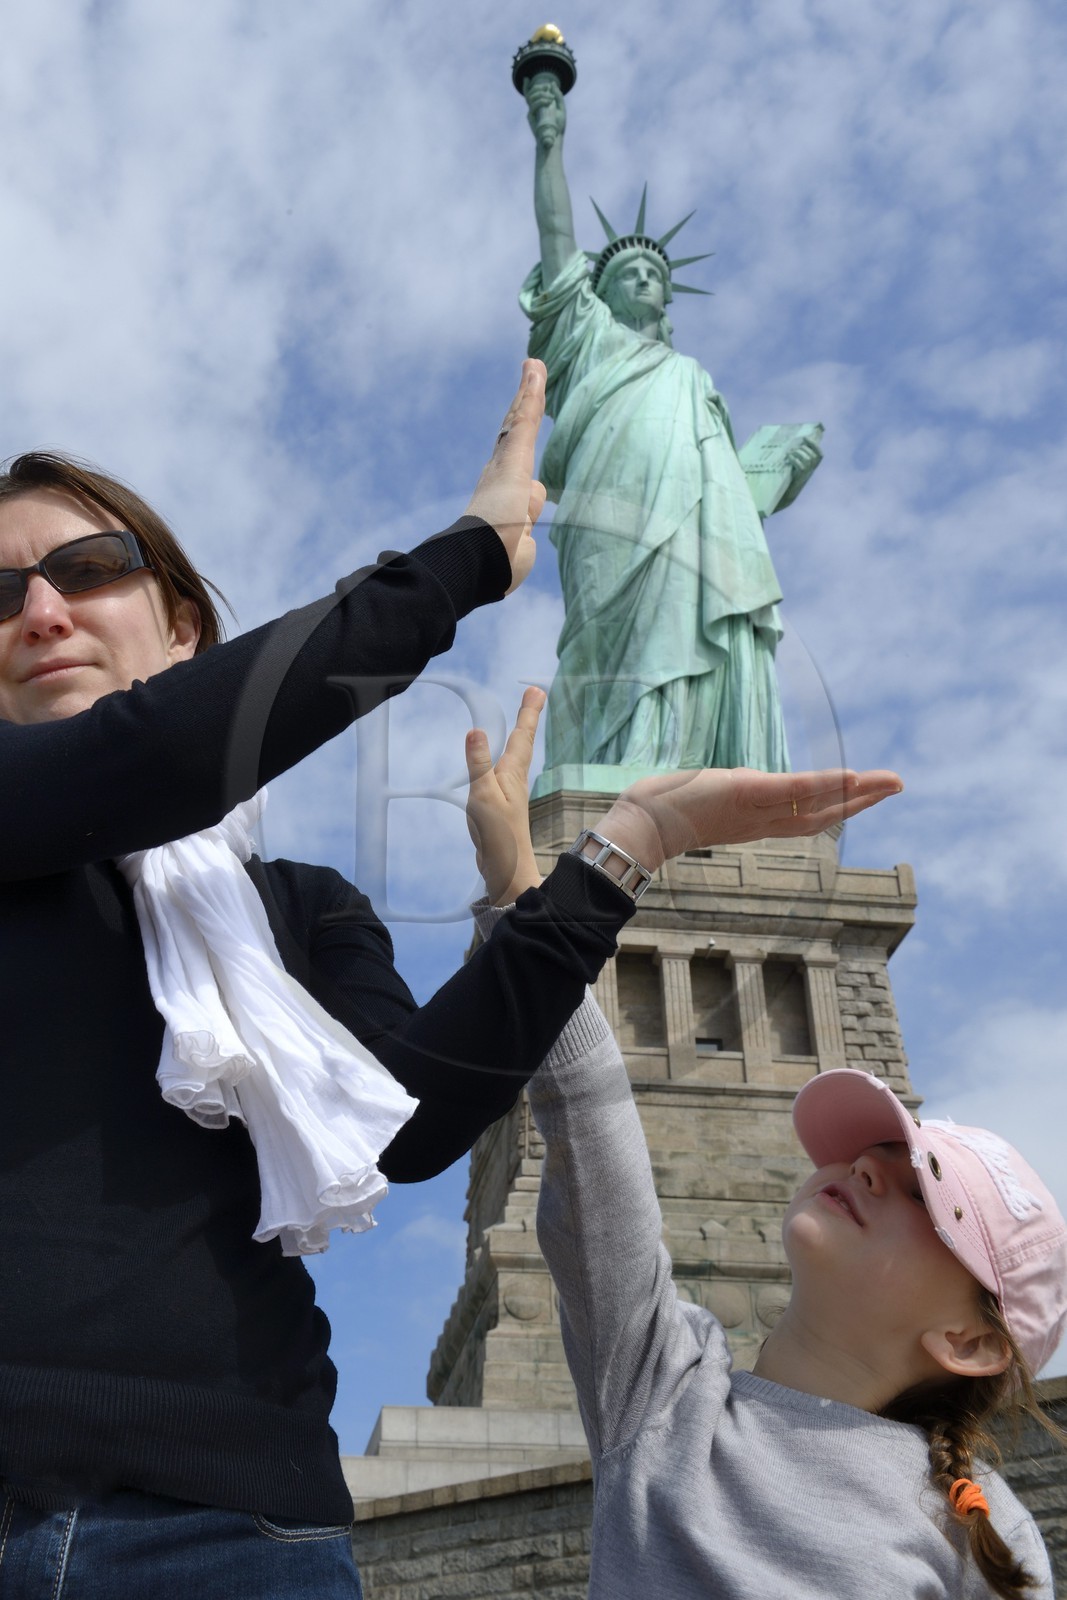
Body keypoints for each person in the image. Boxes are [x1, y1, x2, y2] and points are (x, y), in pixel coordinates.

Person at [0, 360, 652, 1599]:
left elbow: (407, 1129)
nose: (41, 609)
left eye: (87, 568)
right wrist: (465, 558)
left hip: (237, 1537)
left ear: (186, 628)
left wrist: (598, 871)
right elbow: (152, 756)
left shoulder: (301, 908)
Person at [464, 703, 1064, 1599]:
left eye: (920, 1200)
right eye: (873, 1152)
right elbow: (587, 1113)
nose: (864, 1168)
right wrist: (531, 875)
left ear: (970, 1342)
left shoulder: (981, 1532)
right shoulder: (665, 1397)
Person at [520, 71, 823, 780]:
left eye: (652, 273)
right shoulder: (586, 338)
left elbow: (732, 503)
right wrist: (549, 143)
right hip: (612, 504)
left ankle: (699, 764)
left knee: (694, 603)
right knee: (612, 630)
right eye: (625, 272)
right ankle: (620, 757)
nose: (643, 280)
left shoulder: (693, 383)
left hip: (695, 521)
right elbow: (557, 233)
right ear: (598, 294)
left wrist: (776, 472)